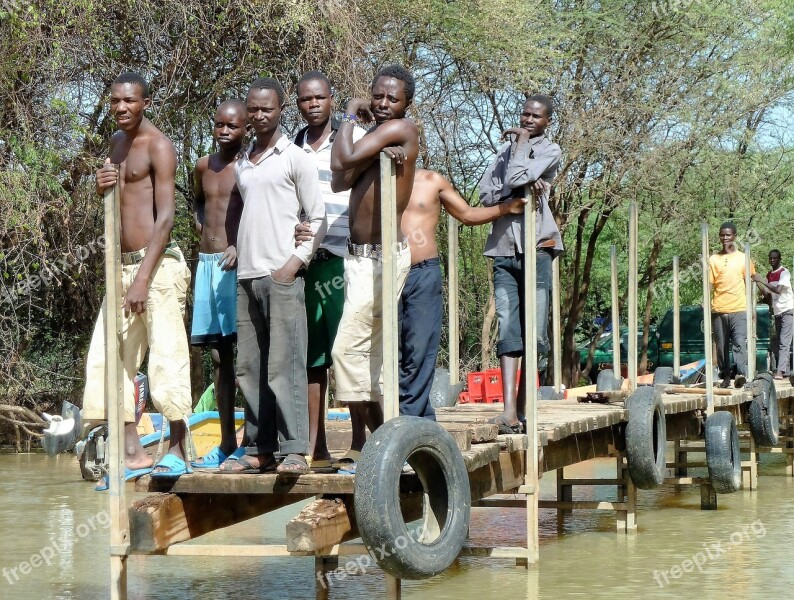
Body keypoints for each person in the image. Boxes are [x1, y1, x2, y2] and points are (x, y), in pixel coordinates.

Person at [87, 71, 193, 479]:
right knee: (110, 360)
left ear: (144, 102)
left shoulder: (159, 146)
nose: (121, 108)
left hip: (158, 268)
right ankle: (132, 451)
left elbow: (165, 219)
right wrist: (101, 188)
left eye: (129, 101)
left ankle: (179, 447)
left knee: (167, 358)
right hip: (123, 267)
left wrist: (144, 279)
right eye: (115, 101)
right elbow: (117, 201)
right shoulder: (116, 144)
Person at [219, 77, 326, 475]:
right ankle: (259, 448)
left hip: (281, 274)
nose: (259, 115)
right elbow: (245, 212)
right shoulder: (244, 161)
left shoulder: (296, 157)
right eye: (253, 109)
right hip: (247, 275)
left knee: (285, 364)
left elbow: (318, 217)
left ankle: (294, 449)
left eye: (267, 108)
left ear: (281, 111)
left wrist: (294, 262)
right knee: (250, 365)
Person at [328, 64, 418, 469]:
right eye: (377, 96)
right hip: (359, 259)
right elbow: (339, 179)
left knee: (346, 349)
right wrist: (371, 147)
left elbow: (340, 157)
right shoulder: (380, 138)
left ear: (406, 104)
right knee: (367, 354)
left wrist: (348, 112)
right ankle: (382, 446)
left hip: (381, 258)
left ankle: (384, 443)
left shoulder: (403, 130)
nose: (382, 104)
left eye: (391, 99)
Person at [396, 169, 527, 420]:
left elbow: (466, 214)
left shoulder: (431, 181)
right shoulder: (377, 179)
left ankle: (411, 419)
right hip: (386, 272)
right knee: (392, 352)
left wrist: (505, 208)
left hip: (423, 271)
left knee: (420, 348)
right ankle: (416, 416)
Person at [293, 71, 366, 470]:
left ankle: (358, 442)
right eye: (306, 99)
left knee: (347, 352)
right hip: (306, 262)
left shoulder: (347, 139)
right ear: (298, 104)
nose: (313, 105)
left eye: (320, 98)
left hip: (343, 258)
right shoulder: (292, 146)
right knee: (312, 357)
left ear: (331, 99)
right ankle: (315, 447)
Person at [478, 94, 562, 434]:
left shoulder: (551, 150)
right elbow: (486, 194)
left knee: (534, 334)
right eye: (525, 115)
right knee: (508, 328)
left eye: (535, 117)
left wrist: (522, 153)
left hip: (538, 249)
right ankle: (508, 411)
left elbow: (512, 177)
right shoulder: (502, 152)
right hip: (504, 250)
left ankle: (526, 410)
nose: (528, 120)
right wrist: (523, 185)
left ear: (546, 122)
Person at [189, 99, 247, 468]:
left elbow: (263, 211)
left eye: (232, 126)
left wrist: (238, 245)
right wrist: (200, 228)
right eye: (218, 125)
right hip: (207, 266)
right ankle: (226, 441)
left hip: (238, 265)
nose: (224, 131)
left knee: (249, 356)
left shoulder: (249, 167)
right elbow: (197, 203)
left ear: (245, 128)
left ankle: (254, 441)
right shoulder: (202, 166)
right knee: (217, 357)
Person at [709, 222, 755, 388]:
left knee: (739, 343)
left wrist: (752, 309)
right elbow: (709, 284)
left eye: (728, 235)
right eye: (722, 235)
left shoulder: (743, 258)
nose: (725, 238)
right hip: (719, 309)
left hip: (739, 309)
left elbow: (749, 282)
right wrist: (706, 305)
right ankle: (726, 376)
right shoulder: (713, 259)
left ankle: (741, 373)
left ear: (734, 236)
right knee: (721, 347)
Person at [753, 249, 793, 379]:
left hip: (788, 310)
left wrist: (763, 281)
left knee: (784, 342)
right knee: (779, 341)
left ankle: (780, 372)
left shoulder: (784, 273)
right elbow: (768, 296)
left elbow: (778, 290)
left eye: (774, 258)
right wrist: (758, 282)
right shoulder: (770, 274)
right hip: (778, 312)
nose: (772, 260)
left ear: (779, 259)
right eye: (770, 258)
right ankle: (785, 371)